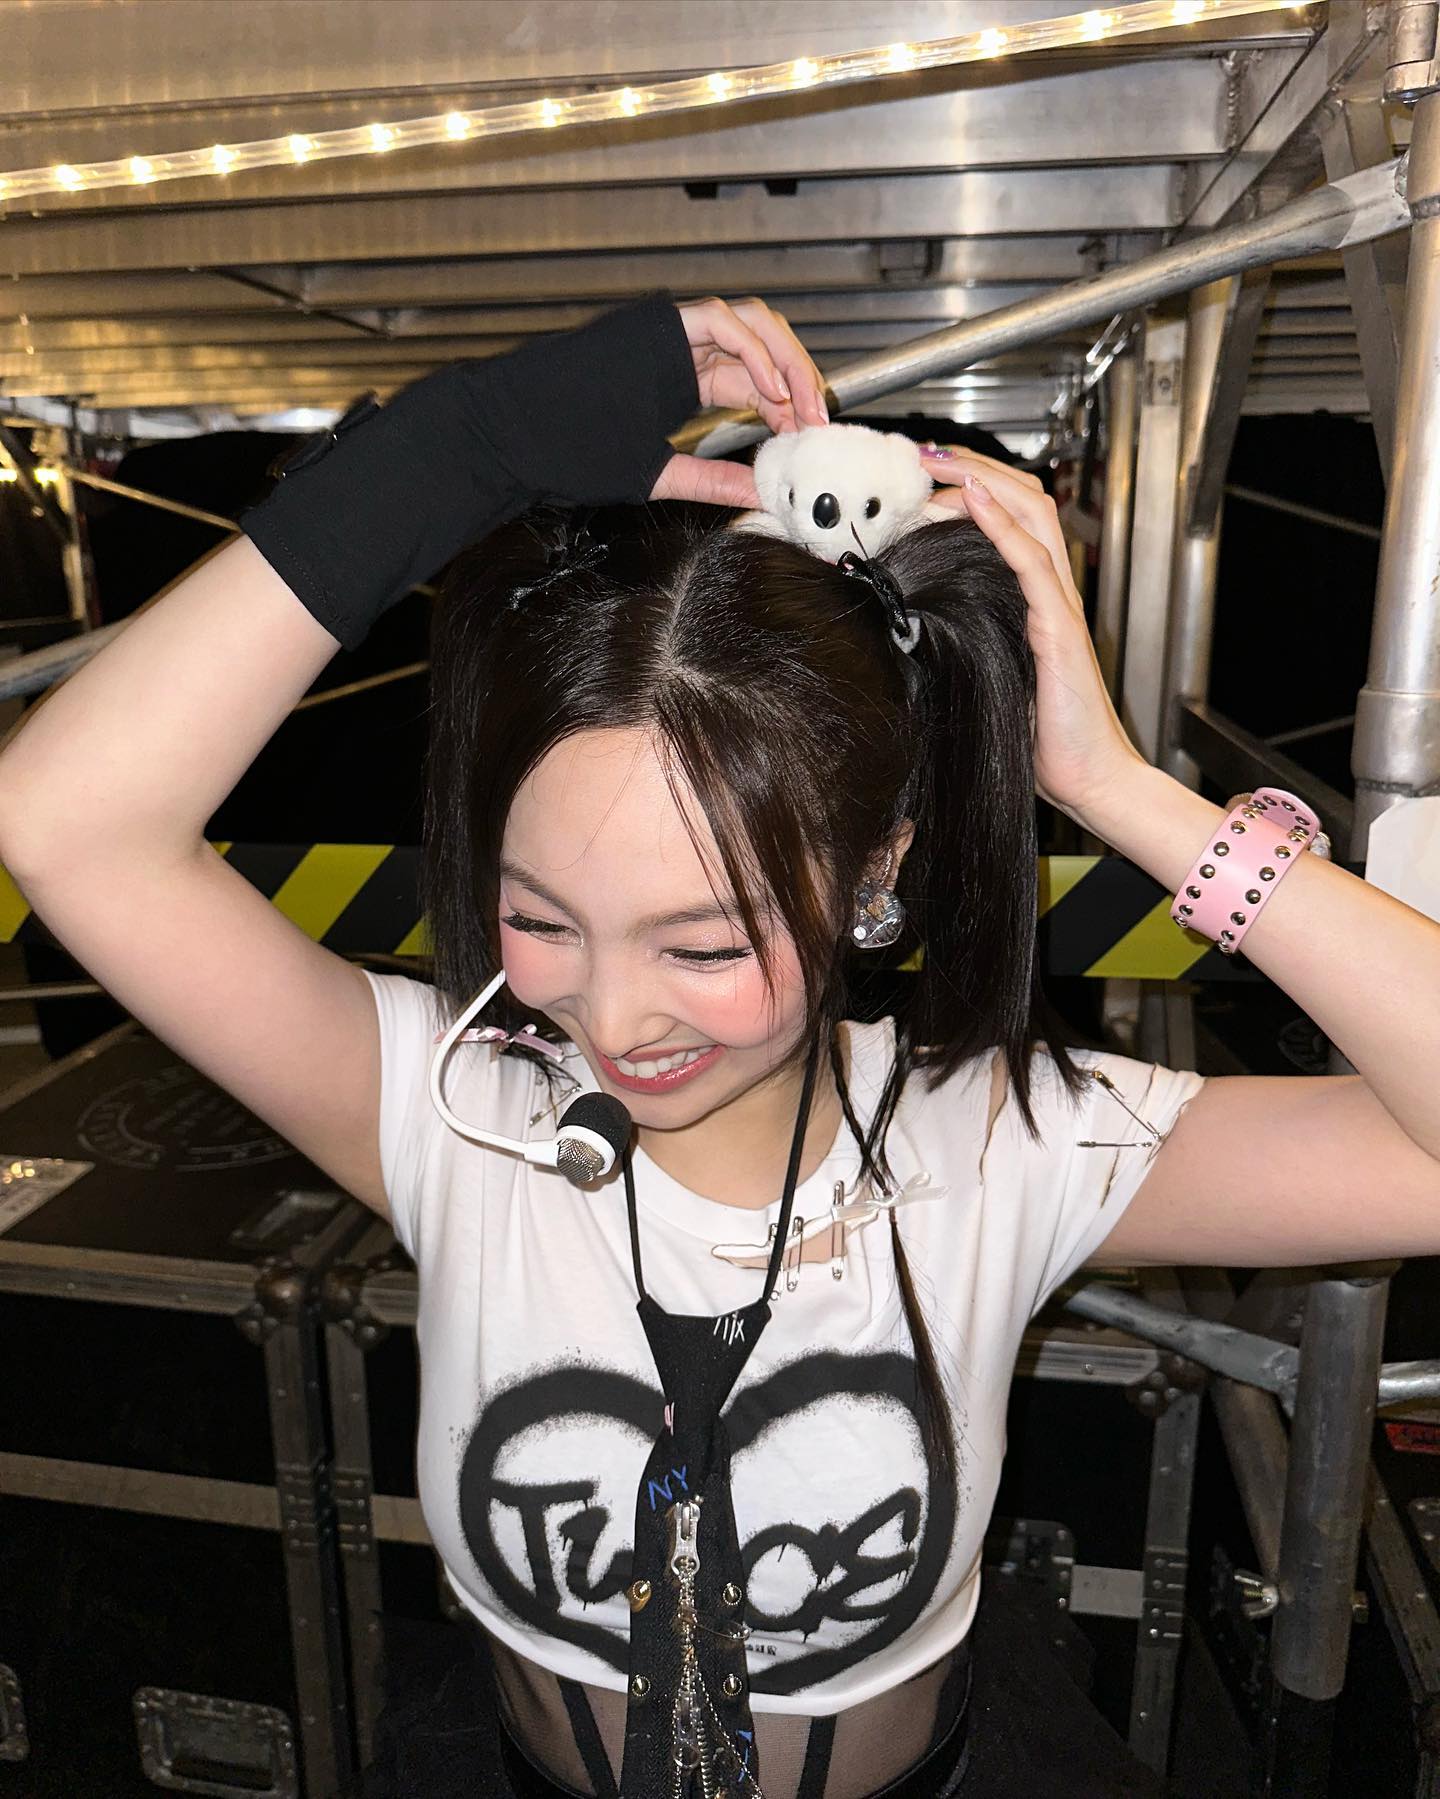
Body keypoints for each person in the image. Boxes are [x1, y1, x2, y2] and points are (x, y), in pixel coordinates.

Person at [1, 295, 1436, 1799]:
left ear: (875, 875)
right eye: (540, 919)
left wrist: (1113, 786)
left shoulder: (1003, 1144)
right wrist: (450, 451)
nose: (614, 1021)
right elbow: (68, 825)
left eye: (701, 945)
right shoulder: (455, 1114)